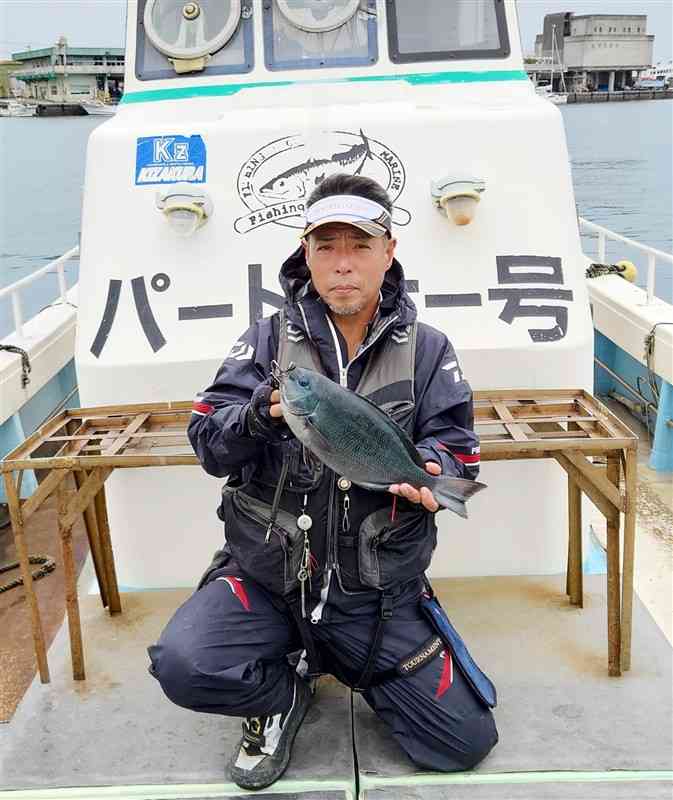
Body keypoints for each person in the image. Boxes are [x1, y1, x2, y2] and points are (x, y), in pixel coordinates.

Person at [148, 173, 498, 791]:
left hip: (375, 593)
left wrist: (437, 466)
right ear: (305, 253)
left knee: (462, 743)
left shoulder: (429, 348)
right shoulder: (264, 343)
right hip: (270, 579)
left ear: (388, 252)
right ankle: (281, 691)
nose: (342, 265)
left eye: (359, 246)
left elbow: (458, 446)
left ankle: (362, 661)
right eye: (326, 247)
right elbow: (207, 440)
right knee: (185, 663)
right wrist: (257, 414)